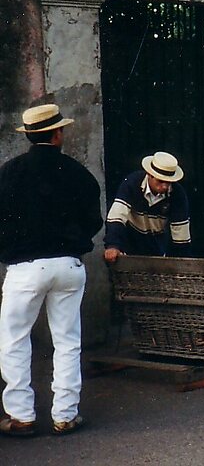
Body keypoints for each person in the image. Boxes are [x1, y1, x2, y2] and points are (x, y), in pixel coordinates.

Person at [0, 104, 102, 436]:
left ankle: (21, 416)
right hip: (69, 264)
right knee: (67, 340)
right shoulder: (78, 173)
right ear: (58, 134)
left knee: (14, 340)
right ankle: (65, 414)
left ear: (29, 135)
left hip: (25, 267)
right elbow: (92, 220)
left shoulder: (9, 172)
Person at [103, 151, 190, 264]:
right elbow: (117, 216)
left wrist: (180, 264)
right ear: (149, 174)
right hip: (129, 244)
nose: (164, 186)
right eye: (160, 181)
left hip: (157, 246)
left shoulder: (177, 194)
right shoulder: (131, 184)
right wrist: (113, 245)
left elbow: (181, 234)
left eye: (168, 182)